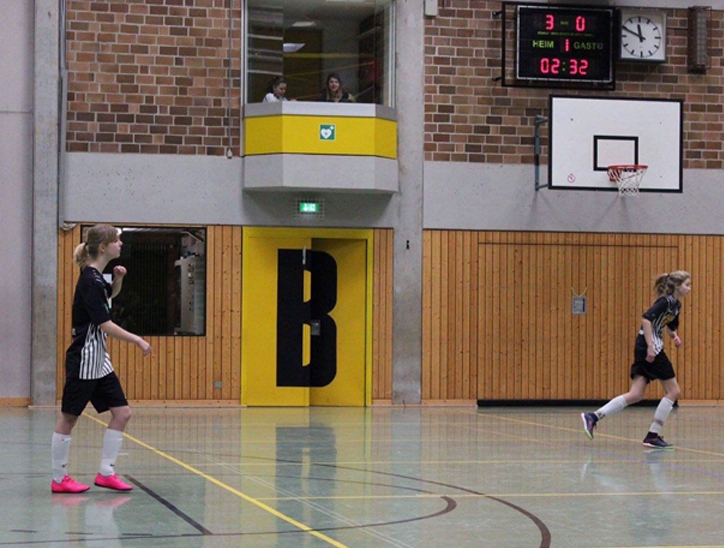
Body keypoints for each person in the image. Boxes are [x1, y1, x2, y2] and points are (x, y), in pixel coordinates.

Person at [51, 224, 152, 494]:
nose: (121, 244)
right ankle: (59, 479)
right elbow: (105, 324)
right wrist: (138, 339)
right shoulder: (89, 280)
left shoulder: (97, 277)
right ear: (104, 247)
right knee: (69, 418)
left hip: (100, 362)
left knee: (122, 413)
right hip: (84, 360)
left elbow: (109, 296)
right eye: (117, 241)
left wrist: (117, 280)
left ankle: (106, 473)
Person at [581, 271, 692, 448]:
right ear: (677, 286)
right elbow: (647, 319)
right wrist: (650, 346)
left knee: (636, 394)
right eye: (687, 284)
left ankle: (593, 416)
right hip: (651, 347)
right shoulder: (665, 301)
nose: (689, 288)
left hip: (646, 346)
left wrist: (674, 336)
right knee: (674, 391)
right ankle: (652, 435)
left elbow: (669, 325)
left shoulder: (676, 305)